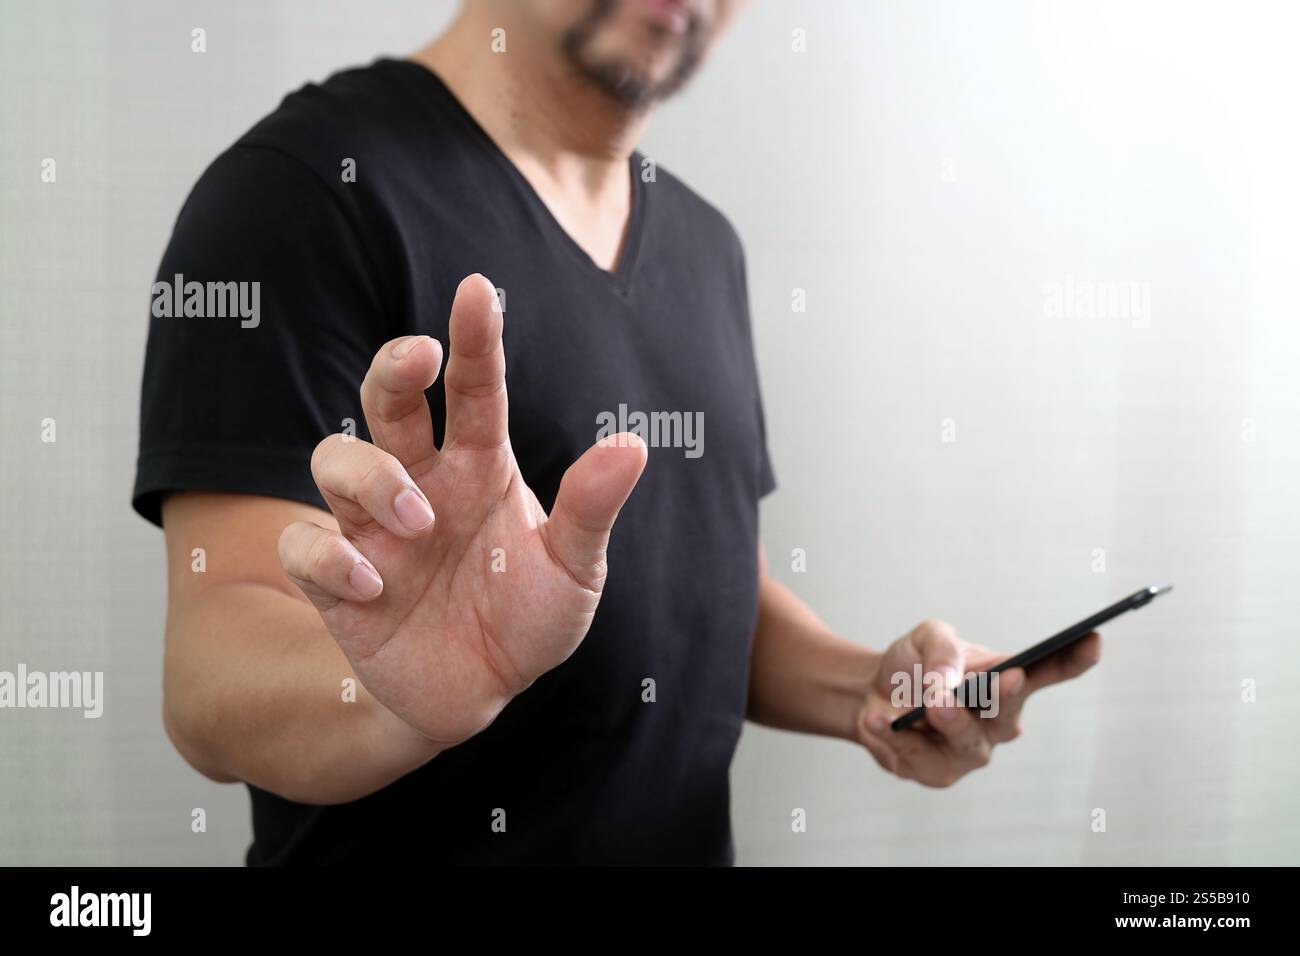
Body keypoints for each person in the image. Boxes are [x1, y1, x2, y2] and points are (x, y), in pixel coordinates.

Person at [134, 0, 1101, 865]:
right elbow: (213, 671)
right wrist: (399, 696)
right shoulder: (300, 193)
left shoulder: (704, 243)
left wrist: (877, 689)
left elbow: (703, 596)